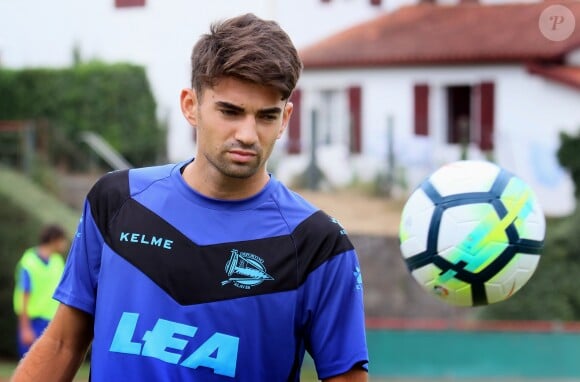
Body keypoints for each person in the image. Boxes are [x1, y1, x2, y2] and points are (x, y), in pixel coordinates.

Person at [12, 13, 368, 381]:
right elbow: (62, 344)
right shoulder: (118, 201)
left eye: (266, 116)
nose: (247, 134)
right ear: (190, 105)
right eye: (230, 111)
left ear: (285, 118)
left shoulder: (318, 244)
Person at [13, 224, 67, 358]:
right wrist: (25, 328)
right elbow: (23, 295)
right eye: (63, 240)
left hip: (52, 322)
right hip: (33, 322)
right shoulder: (29, 262)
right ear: (54, 239)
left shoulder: (58, 261)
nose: (65, 244)